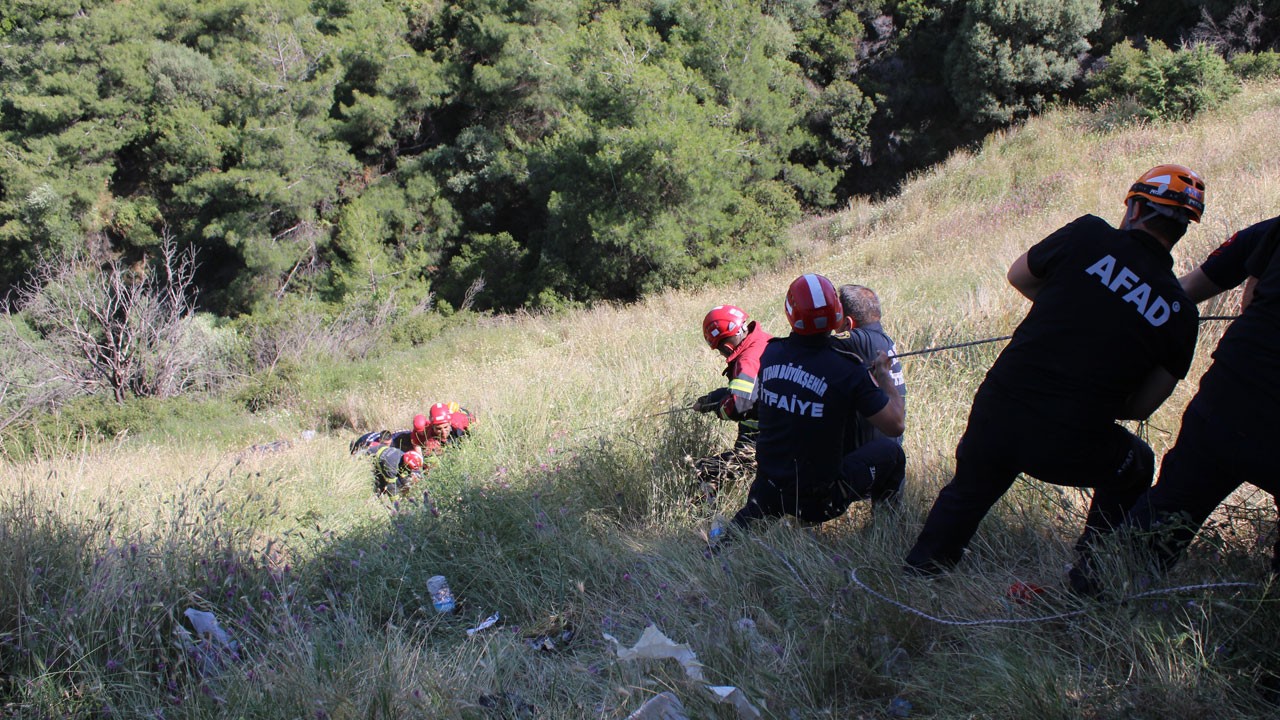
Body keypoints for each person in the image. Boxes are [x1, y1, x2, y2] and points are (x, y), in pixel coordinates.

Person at [904, 164, 1205, 578]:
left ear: (1134, 209)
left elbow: (1018, 275)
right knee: (1136, 463)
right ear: (1184, 229)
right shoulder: (1180, 312)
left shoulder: (1088, 235)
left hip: (1000, 406)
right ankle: (1093, 569)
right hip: (1072, 439)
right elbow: (1141, 408)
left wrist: (1065, 308)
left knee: (968, 491)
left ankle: (923, 570)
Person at [1097, 215, 1280, 582]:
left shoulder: (1272, 231)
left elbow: (1190, 293)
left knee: (1170, 508)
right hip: (1244, 387)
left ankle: (1102, 590)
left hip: (1235, 390)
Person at [727, 273, 906, 530]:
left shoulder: (770, 353)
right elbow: (895, 425)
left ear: (790, 313)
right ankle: (884, 533)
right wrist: (884, 376)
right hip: (818, 502)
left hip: (768, 490)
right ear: (837, 314)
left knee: (727, 544)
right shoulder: (847, 368)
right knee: (892, 453)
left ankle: (717, 550)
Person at [690, 305, 772, 499]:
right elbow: (749, 389)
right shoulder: (762, 340)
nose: (721, 354)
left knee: (706, 469)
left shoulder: (747, 360)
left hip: (763, 434)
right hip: (772, 425)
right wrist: (711, 399)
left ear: (726, 346)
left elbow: (737, 405)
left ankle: (707, 511)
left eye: (719, 349)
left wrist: (717, 408)